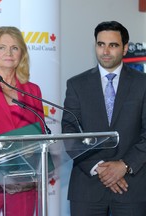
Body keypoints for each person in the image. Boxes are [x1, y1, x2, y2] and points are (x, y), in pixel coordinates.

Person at [62, 21, 146, 216]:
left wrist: (124, 165)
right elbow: (69, 132)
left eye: (113, 45)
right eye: (101, 44)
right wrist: (99, 167)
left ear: (125, 48)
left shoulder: (142, 84)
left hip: (131, 186)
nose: (105, 51)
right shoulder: (76, 84)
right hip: (87, 185)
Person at [0, 26, 45, 216]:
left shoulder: (33, 90)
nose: (9, 53)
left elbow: (40, 136)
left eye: (15, 48)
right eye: (2, 47)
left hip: (24, 182)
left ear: (22, 54)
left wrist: (27, 176)